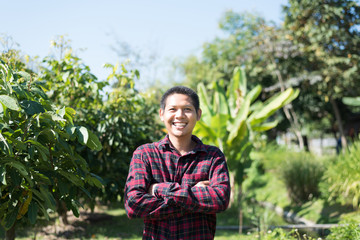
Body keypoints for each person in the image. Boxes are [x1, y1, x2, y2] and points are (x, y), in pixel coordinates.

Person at [124, 86, 231, 239]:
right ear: (162, 114)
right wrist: (194, 198)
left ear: (198, 114)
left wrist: (158, 189)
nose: (180, 115)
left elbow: (220, 199)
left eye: (187, 109)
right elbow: (133, 205)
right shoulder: (145, 154)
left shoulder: (213, 156)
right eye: (173, 109)